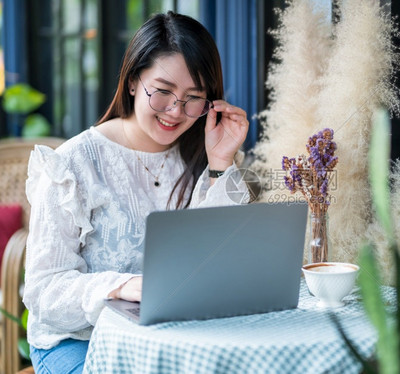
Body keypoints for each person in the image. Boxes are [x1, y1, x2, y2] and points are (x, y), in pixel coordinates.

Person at [23, 11, 249, 374]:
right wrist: (121, 286)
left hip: (168, 339)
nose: (176, 112)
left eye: (194, 98)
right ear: (132, 82)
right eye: (162, 92)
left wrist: (221, 161)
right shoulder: (73, 164)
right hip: (80, 341)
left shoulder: (196, 156)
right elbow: (43, 291)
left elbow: (227, 261)